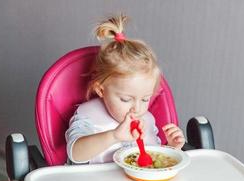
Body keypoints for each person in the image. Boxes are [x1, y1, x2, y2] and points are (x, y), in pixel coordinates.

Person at [65, 14, 185, 165]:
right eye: (126, 99)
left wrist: (171, 148)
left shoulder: (147, 120)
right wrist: (114, 136)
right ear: (101, 90)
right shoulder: (88, 117)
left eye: (145, 99)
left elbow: (150, 161)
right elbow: (75, 153)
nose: (137, 108)